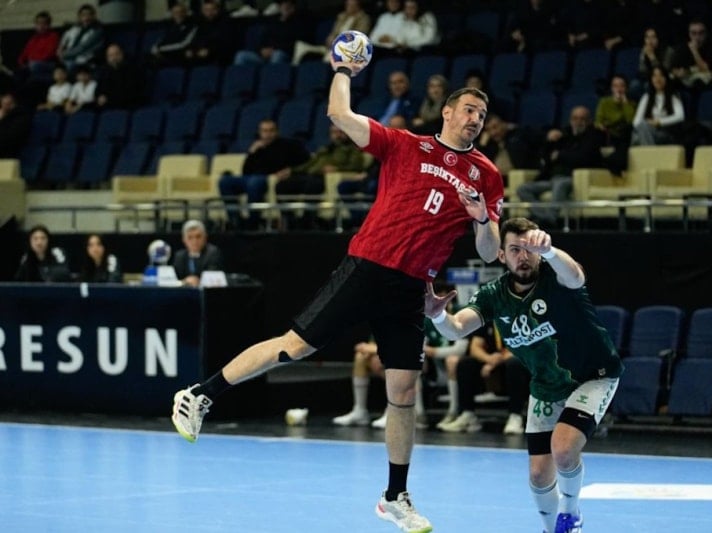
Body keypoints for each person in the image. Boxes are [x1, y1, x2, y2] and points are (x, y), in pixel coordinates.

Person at [170, 48, 504, 533]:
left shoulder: (486, 175)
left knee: (404, 390)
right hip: (368, 266)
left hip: (412, 287)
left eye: (482, 115)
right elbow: (339, 114)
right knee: (295, 346)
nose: (475, 119)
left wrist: (480, 218)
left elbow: (491, 252)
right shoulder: (406, 144)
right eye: (469, 110)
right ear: (447, 112)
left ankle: (395, 496)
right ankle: (200, 394)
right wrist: (344, 70)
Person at [424, 216, 623, 533]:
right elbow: (457, 327)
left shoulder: (556, 276)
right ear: (501, 255)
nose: (523, 256)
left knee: (563, 449)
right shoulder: (493, 295)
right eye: (515, 249)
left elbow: (576, 276)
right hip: (547, 385)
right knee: (539, 475)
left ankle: (570, 515)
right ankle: (550, 529)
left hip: (593, 375)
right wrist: (437, 316)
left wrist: (550, 251)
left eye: (529, 248)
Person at [332, 316, 467, 430]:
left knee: (406, 360)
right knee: (362, 357)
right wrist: (372, 350)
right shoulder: (382, 318)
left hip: (436, 367)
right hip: (420, 362)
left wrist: (374, 349)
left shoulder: (423, 317)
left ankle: (412, 414)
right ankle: (360, 411)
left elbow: (412, 346)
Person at [516, 105, 605, 226]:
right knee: (523, 189)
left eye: (582, 119)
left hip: (572, 178)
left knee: (560, 183)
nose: (578, 122)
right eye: (575, 118)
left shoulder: (593, 136)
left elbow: (582, 158)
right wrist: (549, 140)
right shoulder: (564, 135)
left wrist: (560, 155)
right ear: (570, 120)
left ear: (589, 121)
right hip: (552, 178)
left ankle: (550, 219)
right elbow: (547, 156)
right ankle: (544, 217)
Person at [438, 320, 530, 435]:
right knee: (466, 363)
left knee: (515, 363)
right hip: (490, 362)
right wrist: (489, 359)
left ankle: (515, 416)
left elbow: (525, 346)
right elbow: (474, 347)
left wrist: (496, 361)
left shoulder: (520, 318)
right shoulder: (487, 319)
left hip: (513, 360)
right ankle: (468, 414)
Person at [218, 119, 310, 229]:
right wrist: (251, 152)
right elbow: (245, 171)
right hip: (251, 177)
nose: (268, 134)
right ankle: (235, 221)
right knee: (225, 181)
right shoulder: (257, 147)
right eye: (265, 131)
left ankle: (252, 223)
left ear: (277, 132)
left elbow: (306, 160)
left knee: (255, 182)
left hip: (265, 178)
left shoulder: (288, 145)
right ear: (260, 133)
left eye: (271, 131)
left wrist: (290, 170)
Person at [275, 123, 366, 229]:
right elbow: (309, 164)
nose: (337, 135)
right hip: (308, 175)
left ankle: (306, 221)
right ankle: (289, 220)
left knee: (312, 186)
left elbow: (356, 166)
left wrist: (337, 169)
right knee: (281, 185)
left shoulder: (352, 149)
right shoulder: (325, 149)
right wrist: (291, 171)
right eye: (334, 132)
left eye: (340, 132)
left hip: (322, 178)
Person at [337, 114, 407, 228]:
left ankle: (371, 222)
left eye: (397, 127)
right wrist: (365, 174)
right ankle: (358, 219)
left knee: (373, 186)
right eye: (391, 126)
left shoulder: (408, 147)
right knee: (343, 186)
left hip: (390, 182)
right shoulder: (385, 143)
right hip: (373, 177)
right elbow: (374, 165)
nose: (394, 130)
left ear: (405, 128)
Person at [232, 0, 313, 66]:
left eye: (289, 6)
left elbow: (296, 43)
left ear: (293, 8)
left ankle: (271, 79)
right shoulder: (273, 23)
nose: (285, 7)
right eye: (283, 5)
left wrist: (274, 49)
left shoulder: (298, 24)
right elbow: (263, 39)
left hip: (283, 54)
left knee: (277, 55)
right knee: (241, 56)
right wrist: (261, 50)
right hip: (264, 56)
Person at [291, 0, 372, 65]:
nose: (348, 4)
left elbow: (358, 38)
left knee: (330, 56)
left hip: (347, 49)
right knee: (300, 46)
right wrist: (330, 38)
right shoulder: (342, 16)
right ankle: (294, 69)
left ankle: (325, 74)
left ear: (358, 4)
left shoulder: (364, 18)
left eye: (351, 3)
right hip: (330, 46)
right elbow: (333, 33)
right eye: (347, 3)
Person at [631, 66, 685, 146]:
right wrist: (649, 124)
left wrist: (659, 122)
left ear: (666, 78)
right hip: (649, 130)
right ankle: (649, 150)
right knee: (639, 130)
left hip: (666, 132)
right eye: (655, 76)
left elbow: (680, 116)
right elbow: (636, 122)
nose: (658, 79)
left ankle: (649, 152)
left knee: (639, 136)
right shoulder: (646, 97)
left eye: (661, 75)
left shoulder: (673, 97)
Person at [171, 219, 224, 286]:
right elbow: (174, 278)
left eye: (198, 237)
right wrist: (185, 281)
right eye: (190, 237)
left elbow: (213, 276)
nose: (194, 241)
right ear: (184, 240)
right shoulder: (179, 256)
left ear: (205, 237)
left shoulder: (212, 253)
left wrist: (198, 281)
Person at [57, 4, 105, 73]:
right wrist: (60, 48)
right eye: (83, 15)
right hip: (69, 58)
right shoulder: (75, 28)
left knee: (66, 67)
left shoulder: (97, 31)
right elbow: (65, 38)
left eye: (89, 14)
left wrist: (64, 55)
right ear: (79, 17)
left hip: (85, 60)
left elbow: (82, 48)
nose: (86, 18)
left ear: (93, 16)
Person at [186, 0, 236, 65]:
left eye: (212, 10)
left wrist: (209, 50)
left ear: (217, 10)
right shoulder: (200, 25)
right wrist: (191, 49)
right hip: (200, 54)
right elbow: (194, 40)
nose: (209, 13)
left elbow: (226, 42)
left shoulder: (226, 23)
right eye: (206, 10)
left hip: (219, 54)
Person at [150, 3, 198, 67]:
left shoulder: (192, 26)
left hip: (180, 55)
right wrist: (155, 48)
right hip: (166, 53)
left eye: (181, 12)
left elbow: (183, 44)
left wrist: (160, 49)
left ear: (185, 13)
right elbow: (161, 40)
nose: (178, 14)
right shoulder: (170, 26)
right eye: (175, 12)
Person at [95, 44, 142, 110]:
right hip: (108, 108)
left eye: (116, 54)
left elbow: (130, 93)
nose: (114, 58)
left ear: (122, 54)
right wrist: (100, 97)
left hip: (126, 107)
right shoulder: (104, 72)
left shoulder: (132, 70)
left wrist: (108, 98)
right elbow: (98, 91)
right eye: (110, 55)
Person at [16, 11, 60, 80]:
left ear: (49, 25)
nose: (41, 26)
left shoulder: (53, 36)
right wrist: (22, 63)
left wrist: (32, 61)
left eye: (44, 23)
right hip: (32, 65)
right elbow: (24, 54)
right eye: (39, 23)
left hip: (48, 64)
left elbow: (49, 53)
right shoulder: (33, 39)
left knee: (34, 66)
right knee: (19, 72)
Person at [671, 19, 712, 89]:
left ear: (706, 34)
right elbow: (673, 68)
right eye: (694, 33)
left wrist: (694, 50)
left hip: (703, 80)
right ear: (689, 34)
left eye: (701, 33)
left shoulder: (711, 47)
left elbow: (705, 69)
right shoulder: (682, 48)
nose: (697, 37)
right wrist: (678, 72)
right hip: (686, 78)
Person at [0, 93, 32, 159]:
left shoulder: (21, 117)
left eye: (3, 97)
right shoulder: (6, 115)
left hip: (10, 156)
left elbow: (8, 140)